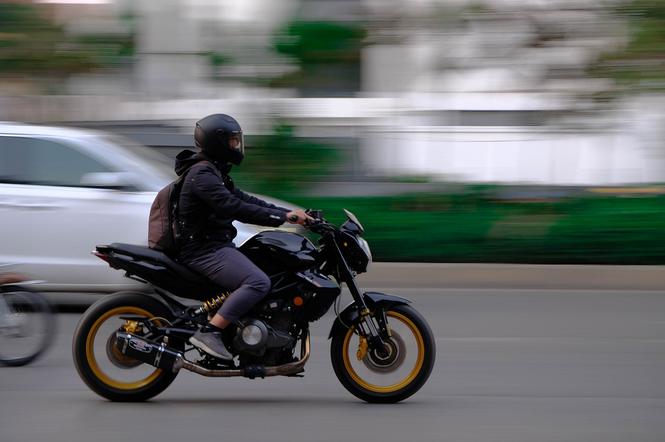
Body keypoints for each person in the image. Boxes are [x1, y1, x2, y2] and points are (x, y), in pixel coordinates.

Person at [174, 113, 312, 361]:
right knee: (258, 282)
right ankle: (211, 331)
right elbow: (234, 207)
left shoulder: (213, 171)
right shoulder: (202, 175)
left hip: (214, 245)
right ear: (217, 143)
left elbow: (245, 200)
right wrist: (282, 219)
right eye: (232, 141)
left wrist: (287, 213)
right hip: (203, 250)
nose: (236, 146)